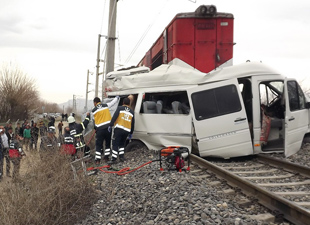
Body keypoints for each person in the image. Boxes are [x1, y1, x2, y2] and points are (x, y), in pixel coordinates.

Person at [92, 96, 119, 164]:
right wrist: (116, 98)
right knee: (107, 143)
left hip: (100, 130)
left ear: (95, 103)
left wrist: (95, 128)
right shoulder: (106, 105)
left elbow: (94, 121)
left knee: (98, 144)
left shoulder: (93, 110)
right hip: (108, 128)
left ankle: (98, 160)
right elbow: (112, 103)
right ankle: (106, 157)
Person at [108, 97, 135, 163]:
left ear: (123, 103)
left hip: (119, 129)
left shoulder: (120, 108)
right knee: (122, 144)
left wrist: (110, 125)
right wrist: (131, 132)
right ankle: (121, 157)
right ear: (129, 104)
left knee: (115, 143)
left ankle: (114, 159)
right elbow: (133, 123)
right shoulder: (132, 112)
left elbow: (115, 116)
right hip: (126, 131)